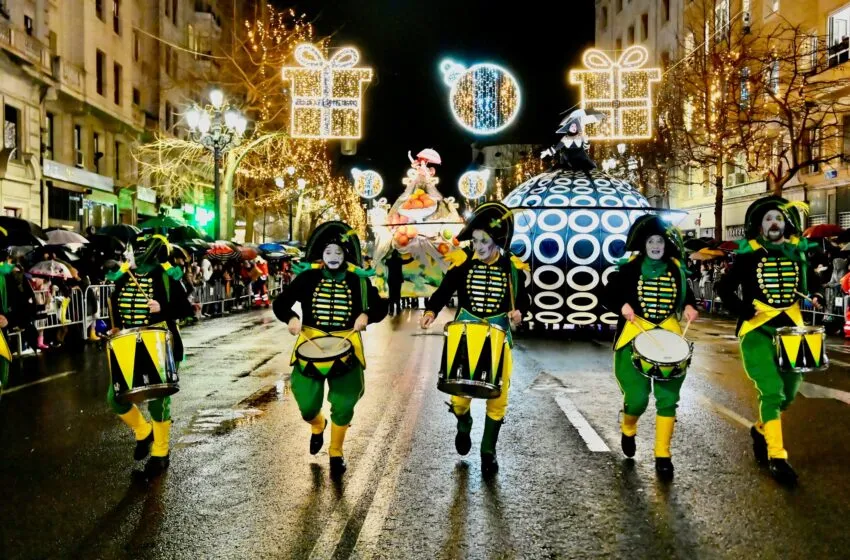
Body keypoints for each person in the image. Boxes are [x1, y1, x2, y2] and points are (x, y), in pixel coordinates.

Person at [718, 196, 823, 485]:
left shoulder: (796, 253)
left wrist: (816, 295)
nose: (773, 223)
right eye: (767, 219)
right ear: (760, 226)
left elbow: (811, 281)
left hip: (792, 330)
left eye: (777, 218)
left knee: (789, 393)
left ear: (785, 223)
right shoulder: (748, 255)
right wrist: (741, 308)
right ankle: (778, 457)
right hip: (757, 330)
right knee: (772, 391)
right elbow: (723, 287)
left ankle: (762, 429)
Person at [419, 202, 529, 476]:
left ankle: (488, 451)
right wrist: (431, 310)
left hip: (498, 337)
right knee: (459, 398)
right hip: (466, 335)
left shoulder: (511, 267)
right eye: (476, 240)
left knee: (498, 399)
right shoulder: (464, 262)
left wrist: (520, 313)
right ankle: (463, 422)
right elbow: (445, 289)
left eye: (485, 241)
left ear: (497, 242)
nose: (478, 246)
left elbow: (523, 298)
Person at [273, 222, 387, 478]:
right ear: (321, 255)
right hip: (309, 347)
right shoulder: (307, 278)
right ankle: (318, 425)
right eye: (328, 253)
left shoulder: (358, 281)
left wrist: (367, 315)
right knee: (307, 406)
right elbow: (281, 303)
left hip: (347, 348)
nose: (333, 258)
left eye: (338, 252)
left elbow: (381, 307)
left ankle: (336, 451)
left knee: (345, 403)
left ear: (346, 254)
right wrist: (291, 318)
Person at [603, 215, 699, 479]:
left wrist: (690, 307)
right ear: (643, 245)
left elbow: (687, 296)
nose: (656, 245)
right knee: (637, 399)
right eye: (651, 241)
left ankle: (663, 455)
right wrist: (621, 305)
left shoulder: (676, 269)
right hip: (635, 333)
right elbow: (608, 295)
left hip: (668, 334)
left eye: (660, 241)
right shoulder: (629, 268)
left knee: (668, 399)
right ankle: (628, 426)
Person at [105, 235, 193, 477]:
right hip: (128, 344)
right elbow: (117, 308)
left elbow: (186, 309)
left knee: (159, 401)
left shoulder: (165, 276)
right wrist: (115, 327)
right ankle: (143, 433)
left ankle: (160, 453)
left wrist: (162, 309)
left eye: (134, 251)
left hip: (160, 343)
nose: (129, 255)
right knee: (115, 397)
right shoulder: (123, 277)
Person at [385, 249, 404, 316]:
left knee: (391, 296)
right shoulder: (399, 260)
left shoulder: (388, 261)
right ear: (397, 254)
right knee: (398, 295)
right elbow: (407, 261)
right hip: (398, 280)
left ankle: (391, 311)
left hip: (391, 281)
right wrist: (413, 258)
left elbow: (384, 262)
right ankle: (398, 310)